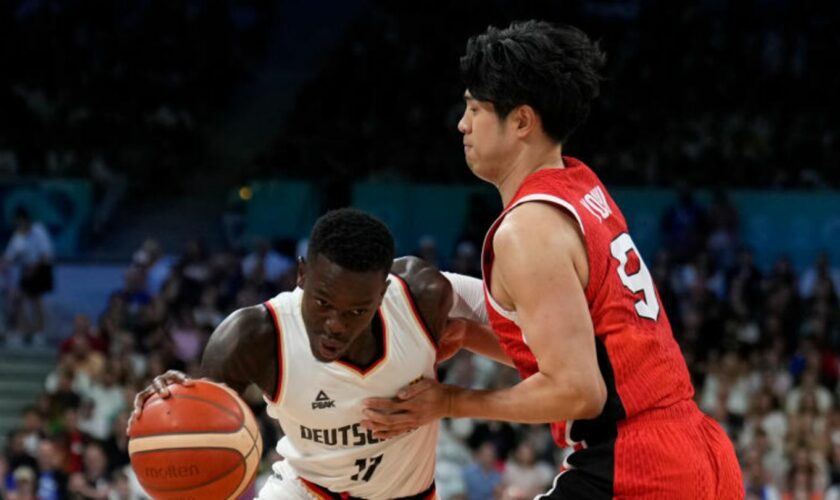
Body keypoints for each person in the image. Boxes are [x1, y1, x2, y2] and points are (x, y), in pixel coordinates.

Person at [361, 20, 743, 498]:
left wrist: (450, 400)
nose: (462, 124)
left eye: (474, 108)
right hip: (695, 450)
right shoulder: (581, 187)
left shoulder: (528, 231)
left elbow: (581, 392)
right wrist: (478, 335)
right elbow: (590, 356)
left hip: (638, 466)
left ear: (521, 121)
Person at [130, 208, 509, 499]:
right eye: (323, 303)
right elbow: (198, 437)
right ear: (301, 275)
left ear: (384, 291)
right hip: (305, 490)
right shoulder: (252, 335)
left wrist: (464, 360)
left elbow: (539, 343)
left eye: (356, 311)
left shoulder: (422, 296)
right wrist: (171, 405)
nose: (335, 325)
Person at [2, 206, 54, 343]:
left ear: (26, 221)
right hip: (27, 270)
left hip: (41, 268)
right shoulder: (17, 236)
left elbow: (45, 255)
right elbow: (8, 257)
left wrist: (34, 268)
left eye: (21, 222)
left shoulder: (38, 230)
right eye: (17, 223)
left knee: (36, 301)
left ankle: (40, 332)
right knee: (18, 300)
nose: (19, 225)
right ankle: (25, 330)